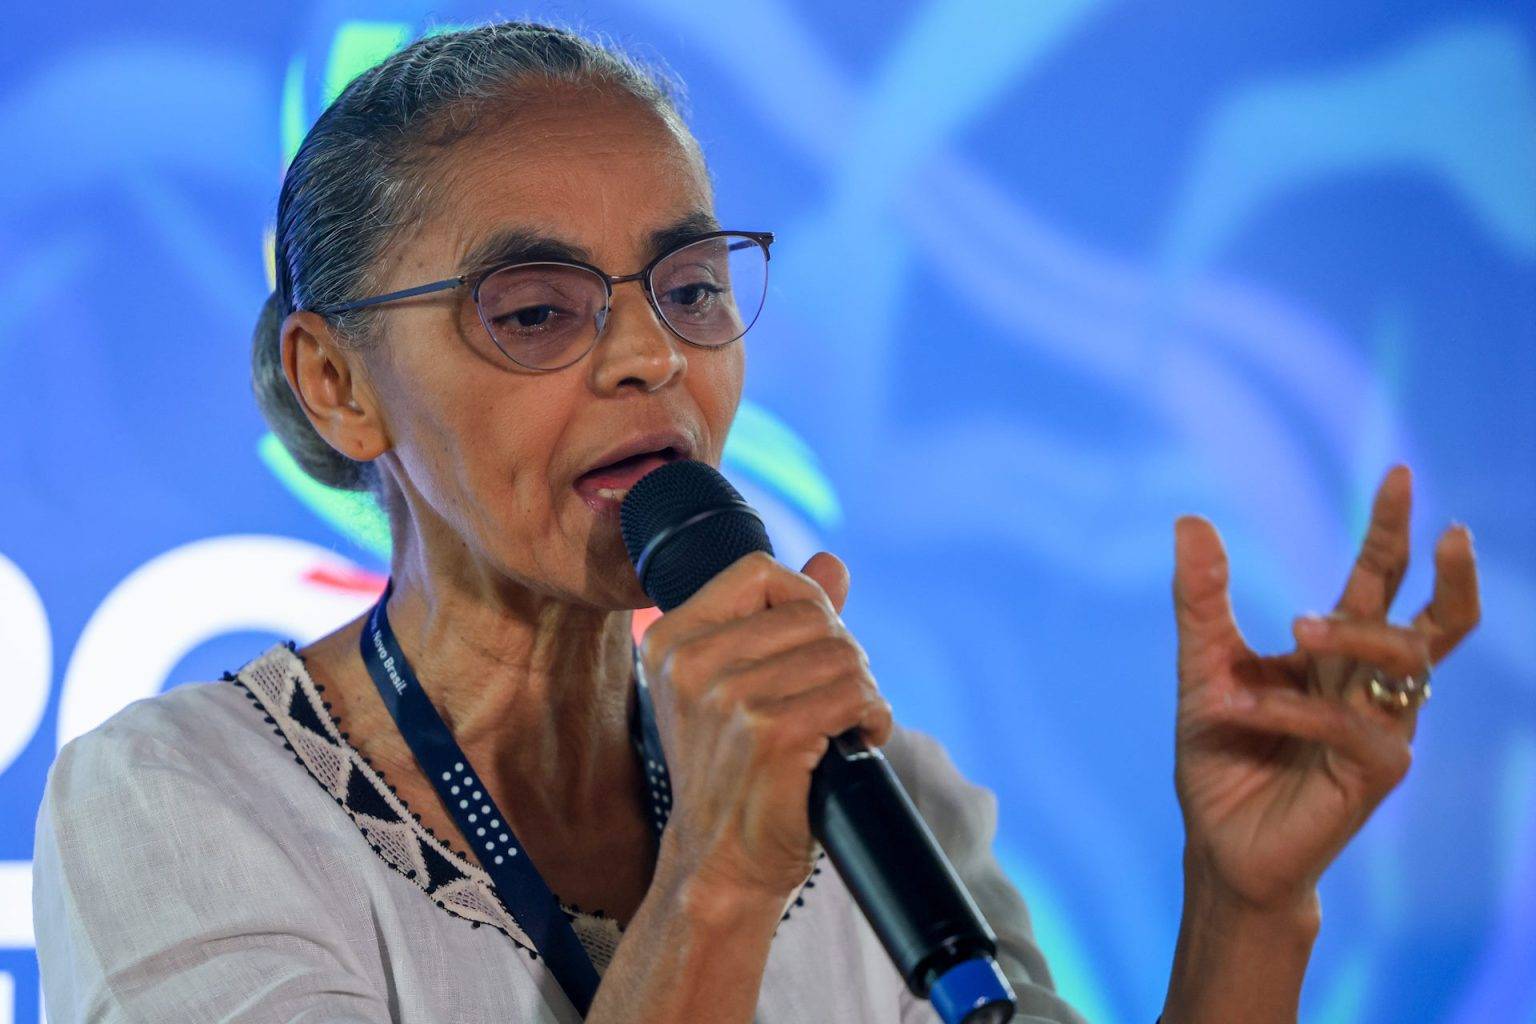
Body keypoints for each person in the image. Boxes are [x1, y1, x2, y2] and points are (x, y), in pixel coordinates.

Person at [32, 21, 1480, 1024]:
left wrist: (1247, 906)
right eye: (534, 311)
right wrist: (721, 881)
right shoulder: (179, 805)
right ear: (339, 385)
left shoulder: (876, 790)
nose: (648, 355)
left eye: (690, 289)